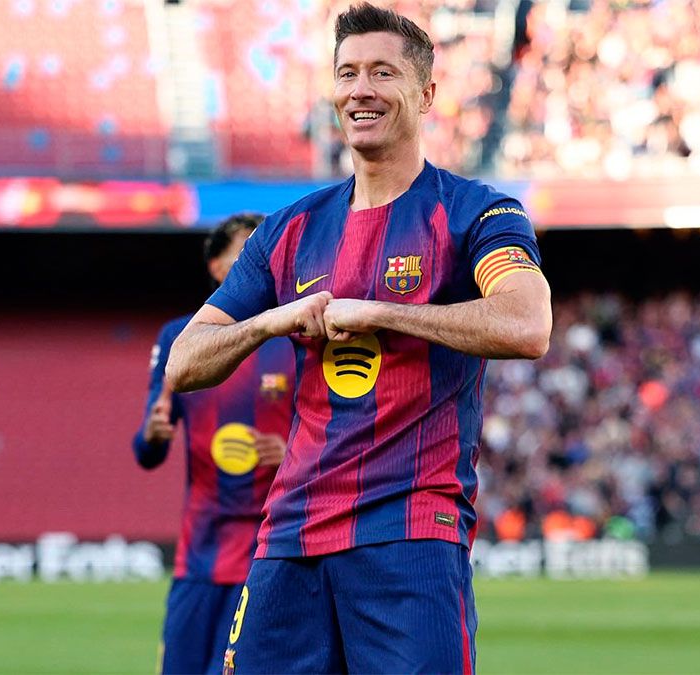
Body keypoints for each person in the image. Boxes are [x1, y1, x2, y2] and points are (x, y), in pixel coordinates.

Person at [165, 4, 552, 672]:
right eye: (347, 73)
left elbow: (526, 323)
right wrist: (271, 321)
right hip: (291, 534)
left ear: (426, 94)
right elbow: (184, 362)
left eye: (382, 72)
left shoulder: (476, 212)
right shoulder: (289, 230)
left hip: (411, 531)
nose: (360, 90)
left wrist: (382, 312)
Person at [134, 214, 295, 674]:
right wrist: (152, 433)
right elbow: (147, 452)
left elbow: (327, 434)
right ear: (216, 266)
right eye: (246, 251)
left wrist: (289, 452)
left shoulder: (295, 338)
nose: (260, 261)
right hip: (199, 554)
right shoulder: (180, 340)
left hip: (266, 552)